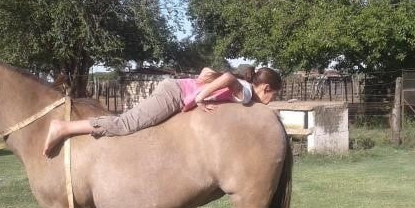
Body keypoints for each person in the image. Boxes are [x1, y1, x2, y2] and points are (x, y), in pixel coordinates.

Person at [43, 66, 282, 157]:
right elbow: (228, 77)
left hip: (175, 90)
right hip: (174, 95)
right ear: (267, 87)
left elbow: (210, 70)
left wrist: (204, 84)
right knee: (125, 123)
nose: (271, 101)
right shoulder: (249, 93)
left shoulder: (247, 88)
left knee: (127, 121)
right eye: (273, 95)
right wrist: (199, 96)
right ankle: (63, 128)